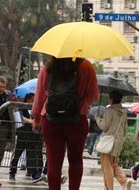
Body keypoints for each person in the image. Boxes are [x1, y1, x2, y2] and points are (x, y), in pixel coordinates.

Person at [32, 57, 99, 190]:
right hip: (77, 119)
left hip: (50, 119)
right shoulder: (86, 67)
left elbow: (39, 96)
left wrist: (36, 118)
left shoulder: (47, 68)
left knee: (53, 163)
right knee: (75, 161)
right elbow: (93, 96)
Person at [95, 90, 133, 190]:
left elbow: (104, 126)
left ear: (111, 98)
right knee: (114, 165)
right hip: (118, 141)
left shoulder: (110, 110)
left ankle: (109, 188)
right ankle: (125, 181)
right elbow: (124, 128)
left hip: (108, 142)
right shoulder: (124, 112)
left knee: (107, 167)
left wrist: (98, 119)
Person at [9, 93, 43, 182]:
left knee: (31, 155)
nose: (34, 101)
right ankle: (12, 172)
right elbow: (19, 117)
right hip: (23, 134)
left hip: (33, 135)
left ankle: (34, 173)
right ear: (28, 99)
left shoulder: (36, 108)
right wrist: (30, 121)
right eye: (32, 99)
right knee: (17, 154)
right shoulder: (21, 107)